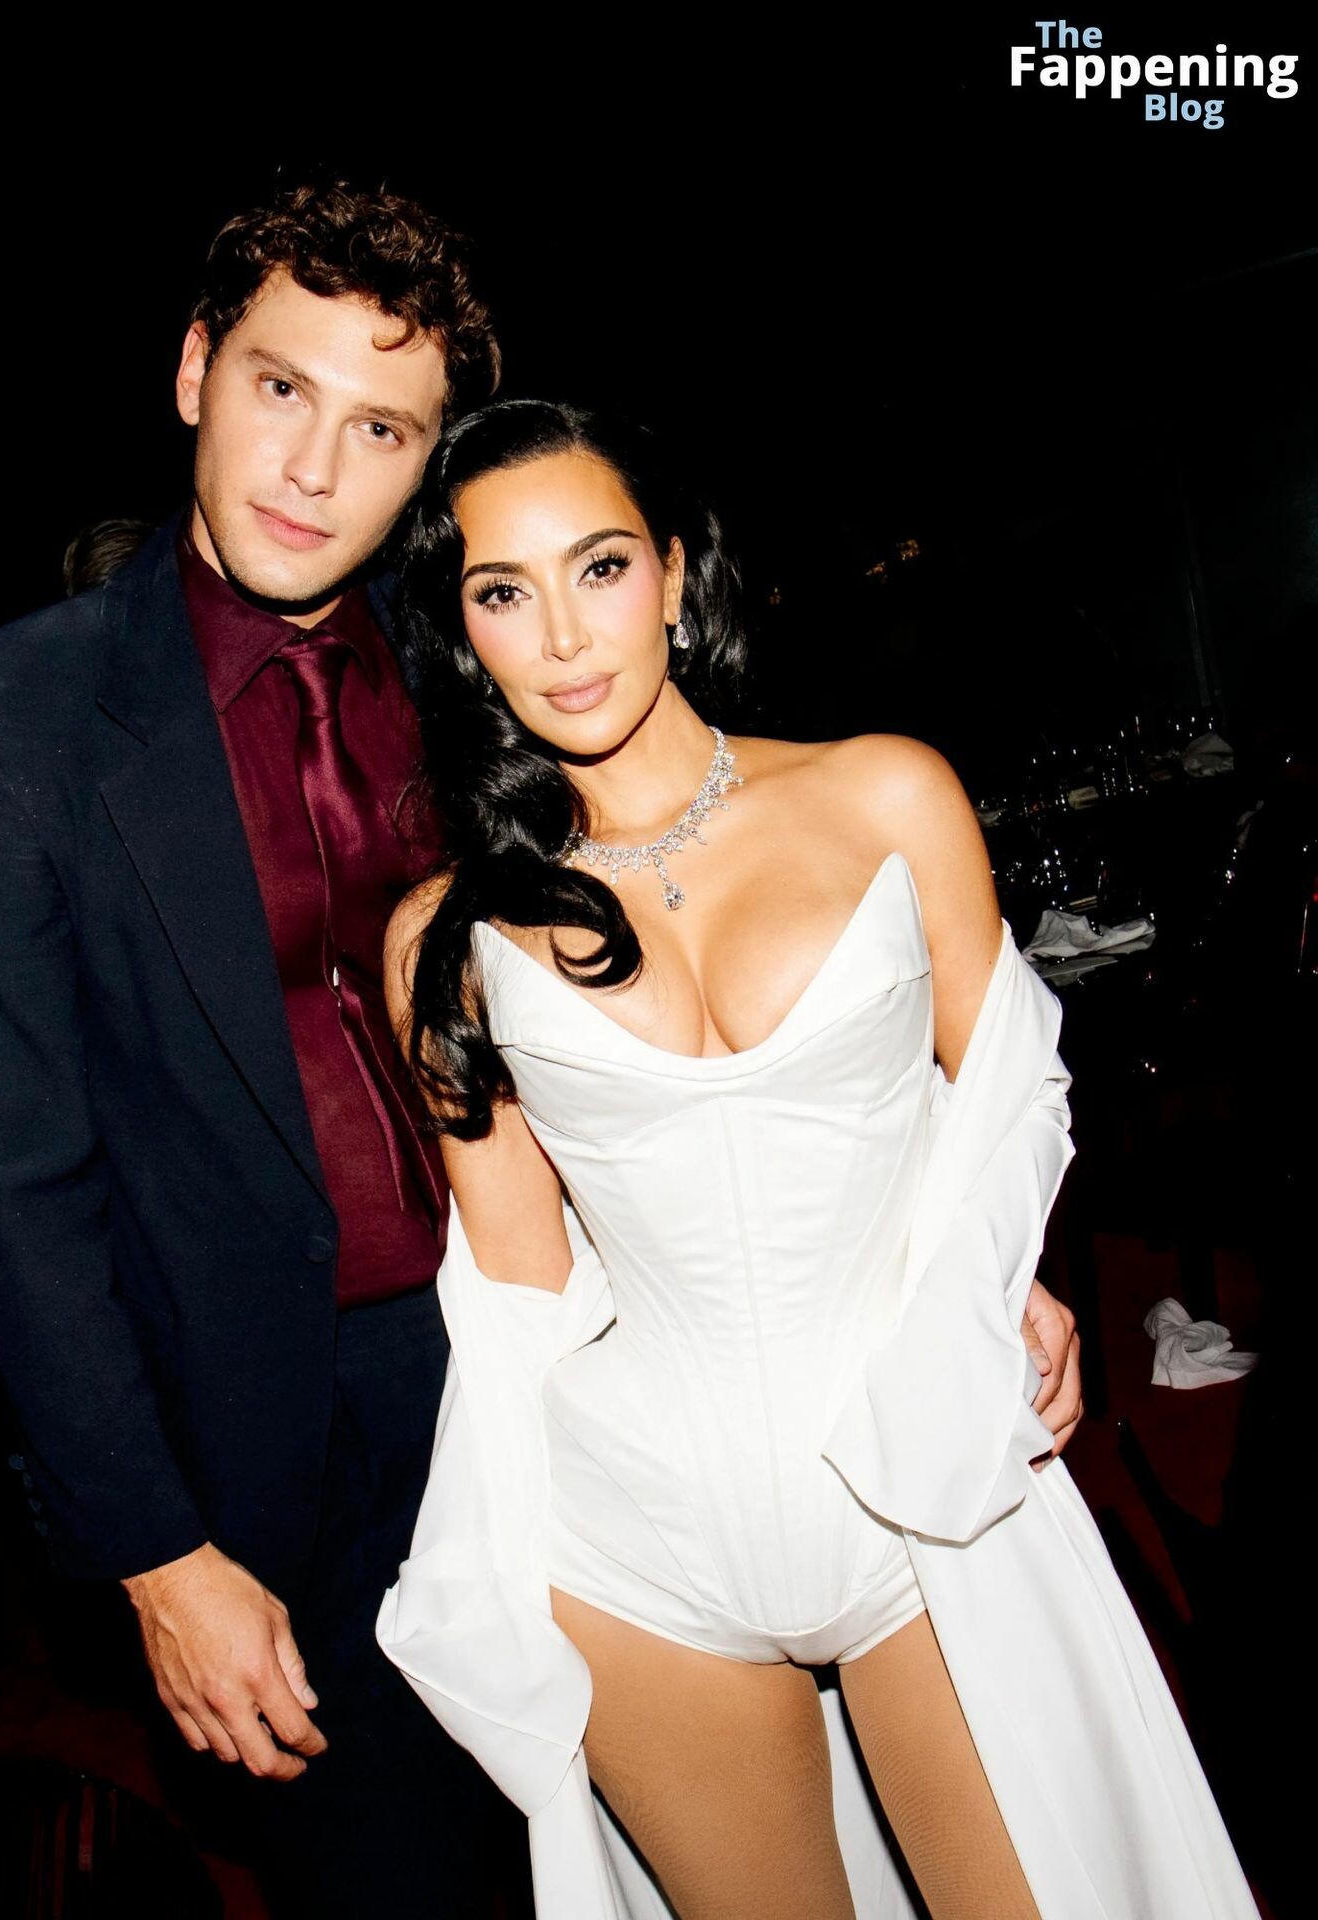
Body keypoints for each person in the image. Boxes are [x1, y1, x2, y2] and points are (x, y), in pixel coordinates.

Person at [377, 400, 1259, 1918]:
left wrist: (1003, 1277)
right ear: (464, 636)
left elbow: (1007, 1095)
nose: (564, 636)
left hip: (920, 1494)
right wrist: (474, 1569)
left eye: (599, 567)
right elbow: (517, 1289)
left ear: (673, 572)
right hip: (636, 1540)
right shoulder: (442, 937)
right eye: (502, 592)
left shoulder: (885, 795)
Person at [0, 179, 514, 1919]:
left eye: (380, 427)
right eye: (279, 387)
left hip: (547, 1369)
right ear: (193, 371)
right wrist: (159, 1552)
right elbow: (14, 1187)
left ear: (428, 462)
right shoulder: (7, 715)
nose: (313, 468)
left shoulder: (483, 656)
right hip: (270, 1447)